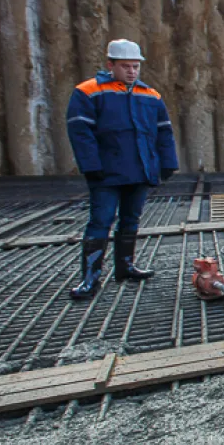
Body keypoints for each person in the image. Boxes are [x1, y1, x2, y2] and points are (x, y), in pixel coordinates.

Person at [66, 39, 178, 300]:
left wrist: (167, 162)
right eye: (126, 66)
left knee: (131, 220)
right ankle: (90, 278)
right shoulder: (88, 92)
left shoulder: (150, 95)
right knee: (100, 221)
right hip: (106, 173)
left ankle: (125, 267)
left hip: (139, 169)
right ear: (110, 65)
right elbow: (81, 133)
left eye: (135, 66)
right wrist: (91, 166)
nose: (131, 71)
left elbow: (164, 132)